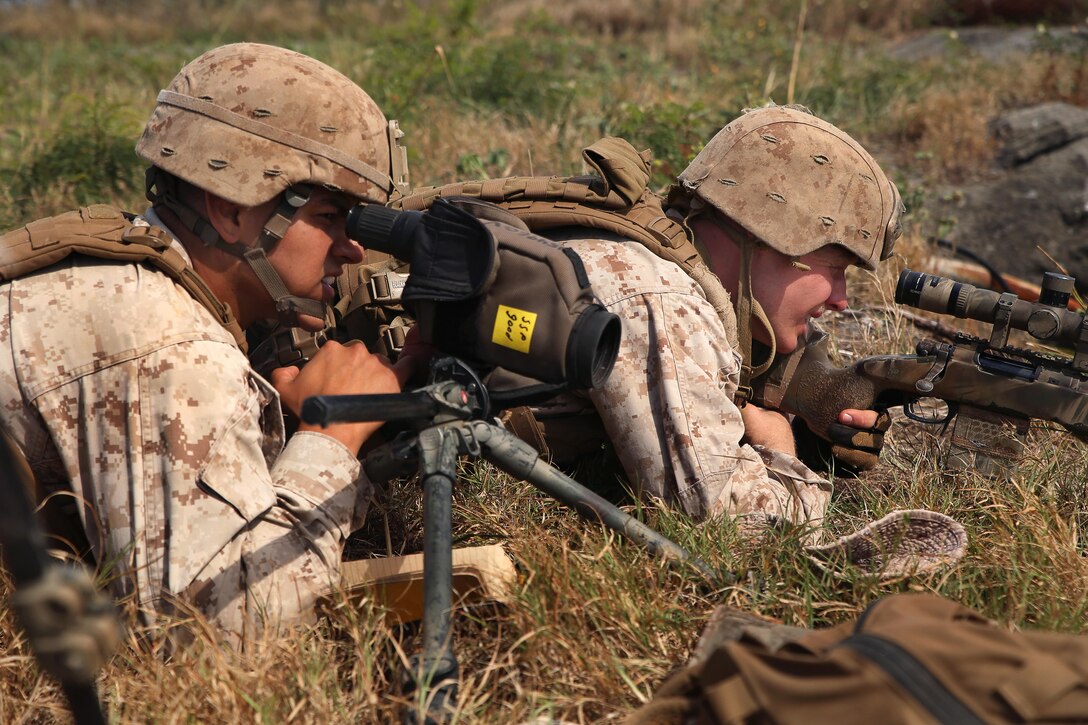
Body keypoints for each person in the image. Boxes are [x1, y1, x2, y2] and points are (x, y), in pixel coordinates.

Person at [0, 42, 414, 647]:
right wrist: (334, 439)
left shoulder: (131, 278)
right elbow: (215, 637)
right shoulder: (164, 341)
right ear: (229, 211)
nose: (354, 250)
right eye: (332, 217)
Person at [555, 104, 901, 536]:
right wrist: (780, 445)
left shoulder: (660, 253)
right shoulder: (661, 302)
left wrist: (815, 431)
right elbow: (731, 528)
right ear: (762, 237)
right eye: (834, 267)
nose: (841, 299)